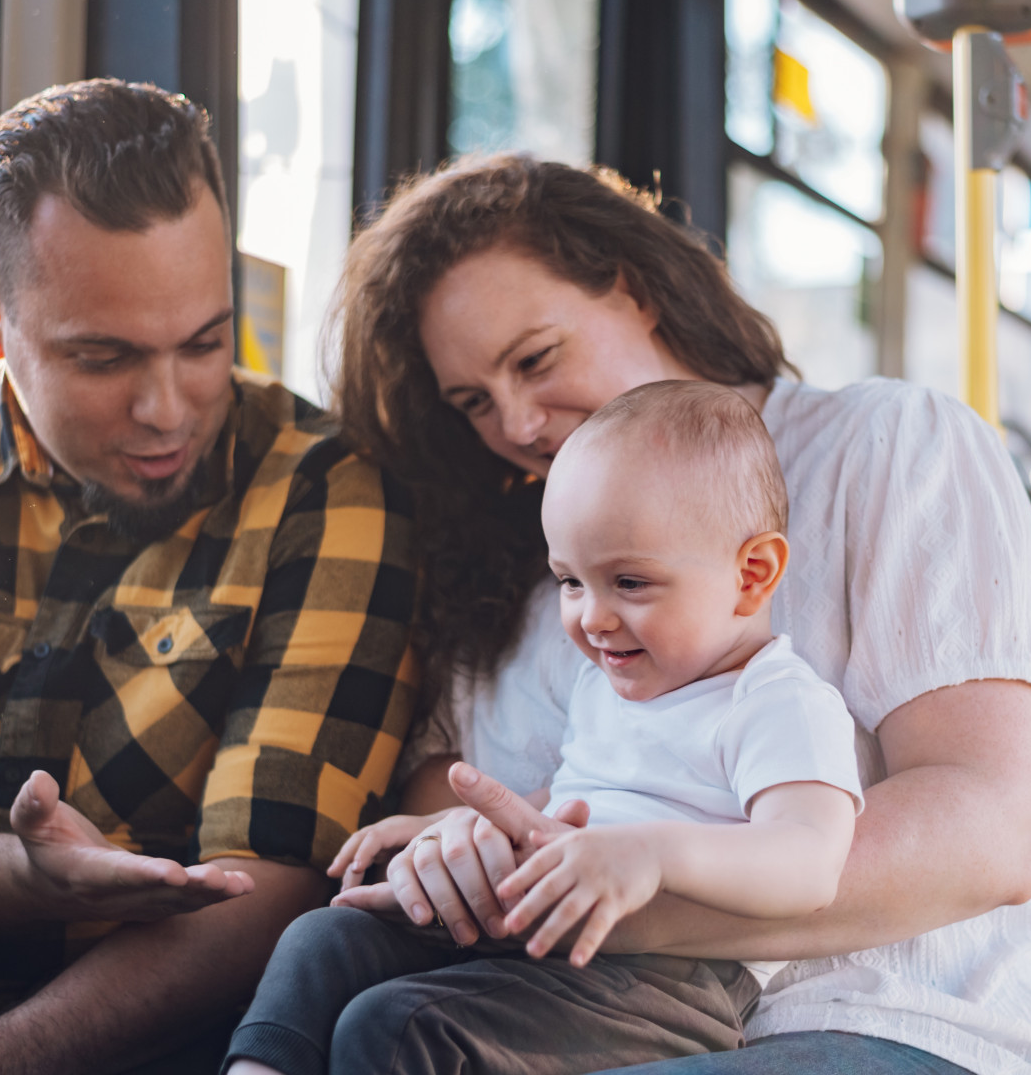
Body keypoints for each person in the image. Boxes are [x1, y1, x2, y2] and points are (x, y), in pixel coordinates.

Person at [312, 155, 1031, 1075]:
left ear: (636, 291)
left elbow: (985, 833)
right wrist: (460, 851)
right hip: (568, 1020)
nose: (517, 424)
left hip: (892, 1017)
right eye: (474, 402)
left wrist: (624, 894)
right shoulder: (518, 578)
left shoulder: (885, 446)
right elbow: (457, 806)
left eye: (535, 359)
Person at [0, 80, 418, 1075]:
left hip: (165, 1040)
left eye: (206, 341)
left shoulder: (324, 488)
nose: (168, 409)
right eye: (104, 357)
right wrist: (31, 877)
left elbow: (266, 896)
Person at [225, 381, 866, 1075]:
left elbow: (809, 863)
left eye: (628, 582)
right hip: (544, 934)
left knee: (398, 1027)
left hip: (672, 979)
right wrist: (448, 830)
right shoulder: (606, 685)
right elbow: (567, 808)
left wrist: (651, 856)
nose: (591, 617)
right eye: (569, 581)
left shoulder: (776, 702)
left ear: (752, 575)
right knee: (327, 938)